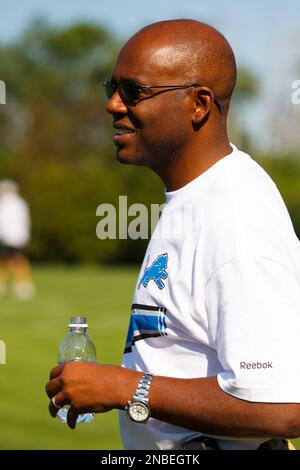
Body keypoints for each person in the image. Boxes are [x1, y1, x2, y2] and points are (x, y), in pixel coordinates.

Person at [45, 19, 300, 450]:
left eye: (134, 91)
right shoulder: (196, 195)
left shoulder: (235, 219)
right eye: (112, 86)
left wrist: (126, 387)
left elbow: (282, 404)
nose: (112, 105)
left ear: (199, 104)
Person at [0, 179, 35, 300]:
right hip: (16, 236)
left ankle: (22, 284)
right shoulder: (20, 203)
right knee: (6, 260)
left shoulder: (8, 203)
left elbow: (5, 221)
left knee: (15, 260)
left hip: (10, 237)